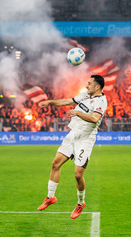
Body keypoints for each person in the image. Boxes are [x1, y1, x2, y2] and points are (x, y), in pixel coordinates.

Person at [37, 75, 107, 219]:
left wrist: (77, 113)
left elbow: (94, 118)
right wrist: (49, 102)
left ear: (97, 87)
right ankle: (50, 197)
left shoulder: (101, 101)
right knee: (55, 164)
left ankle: (80, 203)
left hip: (85, 139)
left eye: (89, 83)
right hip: (73, 135)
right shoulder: (84, 95)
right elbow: (67, 101)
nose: (87, 86)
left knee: (77, 175)